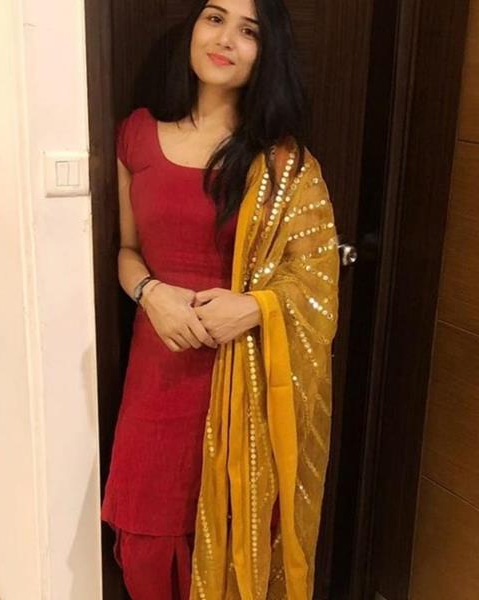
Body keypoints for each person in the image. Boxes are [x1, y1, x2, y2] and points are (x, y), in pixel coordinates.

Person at [100, 0, 340, 598]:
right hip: (158, 372)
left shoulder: (283, 163)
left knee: (238, 540)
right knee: (147, 542)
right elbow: (126, 250)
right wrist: (151, 294)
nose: (226, 38)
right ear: (194, 28)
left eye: (248, 30)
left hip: (243, 381)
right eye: (215, 18)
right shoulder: (136, 134)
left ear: (266, 52)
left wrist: (255, 307)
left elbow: (315, 276)